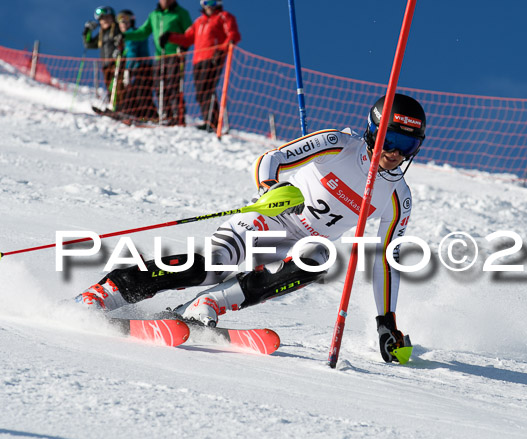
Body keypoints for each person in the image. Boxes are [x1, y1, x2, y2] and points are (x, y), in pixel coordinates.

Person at [75, 93, 426, 363]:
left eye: (406, 145)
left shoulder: (398, 197)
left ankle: (203, 308)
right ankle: (107, 292)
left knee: (320, 258)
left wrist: (386, 321)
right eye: (390, 140)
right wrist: (271, 189)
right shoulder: (338, 144)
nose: (395, 153)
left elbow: (385, 261)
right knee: (213, 265)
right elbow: (271, 159)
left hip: (299, 244)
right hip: (268, 219)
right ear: (372, 130)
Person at [162, 0, 241, 132]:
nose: (209, 5)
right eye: (206, 2)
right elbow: (188, 38)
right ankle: (209, 120)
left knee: (207, 88)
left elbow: (233, 33)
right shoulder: (199, 21)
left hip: (214, 57)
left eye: (212, 2)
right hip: (198, 60)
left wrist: (223, 48)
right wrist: (170, 37)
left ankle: (213, 122)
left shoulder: (223, 16)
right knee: (200, 92)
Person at [120, 0, 193, 125]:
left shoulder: (180, 13)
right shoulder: (154, 15)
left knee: (172, 85)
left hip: (175, 54)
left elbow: (190, 33)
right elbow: (143, 32)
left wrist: (184, 46)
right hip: (159, 57)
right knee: (159, 86)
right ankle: (165, 115)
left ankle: (177, 116)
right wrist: (125, 36)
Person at [115, 10, 159, 122]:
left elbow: (132, 52)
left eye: (126, 20)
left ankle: (151, 116)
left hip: (142, 67)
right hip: (139, 67)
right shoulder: (128, 35)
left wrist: (128, 69)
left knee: (142, 93)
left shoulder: (132, 33)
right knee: (135, 92)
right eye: (120, 21)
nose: (123, 23)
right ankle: (134, 114)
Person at [83, 6, 123, 106]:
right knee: (110, 85)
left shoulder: (117, 29)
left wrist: (120, 50)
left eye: (106, 17)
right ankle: (112, 105)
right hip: (106, 64)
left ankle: (119, 106)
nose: (103, 21)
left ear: (112, 17)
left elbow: (125, 39)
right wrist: (87, 31)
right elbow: (89, 44)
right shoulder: (102, 34)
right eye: (101, 19)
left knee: (118, 85)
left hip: (117, 62)